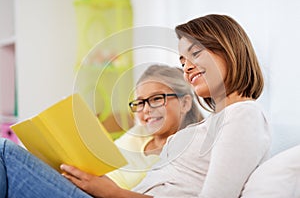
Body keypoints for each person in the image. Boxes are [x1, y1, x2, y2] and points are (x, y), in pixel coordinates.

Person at [59, 14, 271, 198]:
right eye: (182, 62)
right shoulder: (215, 123)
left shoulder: (244, 114)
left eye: (195, 53)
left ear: (229, 49)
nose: (187, 67)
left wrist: (113, 193)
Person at [0, 64, 202, 197]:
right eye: (139, 103)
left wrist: (110, 192)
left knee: (4, 152)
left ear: (185, 103)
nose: (146, 110)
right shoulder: (138, 133)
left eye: (157, 98)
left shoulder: (191, 150)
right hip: (81, 188)